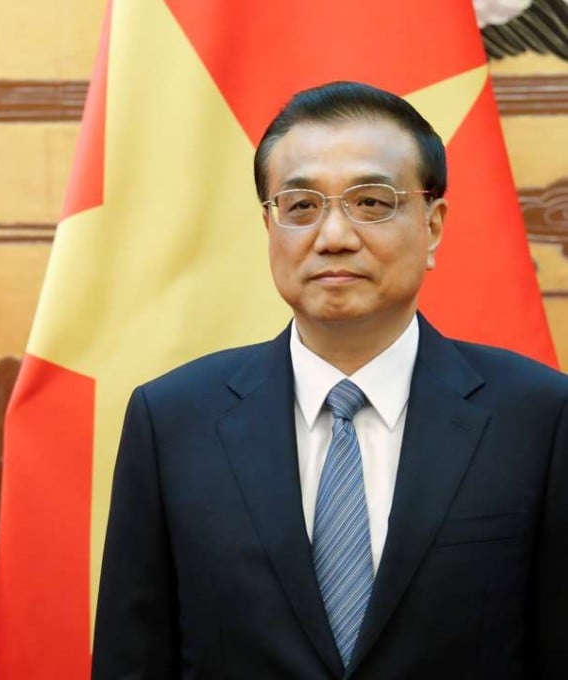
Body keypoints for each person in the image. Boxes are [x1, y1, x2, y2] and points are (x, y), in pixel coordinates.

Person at [92, 81, 568, 678]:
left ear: (434, 225)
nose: (334, 237)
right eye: (300, 207)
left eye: (371, 203)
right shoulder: (173, 421)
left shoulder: (539, 417)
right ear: (269, 225)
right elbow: (131, 657)